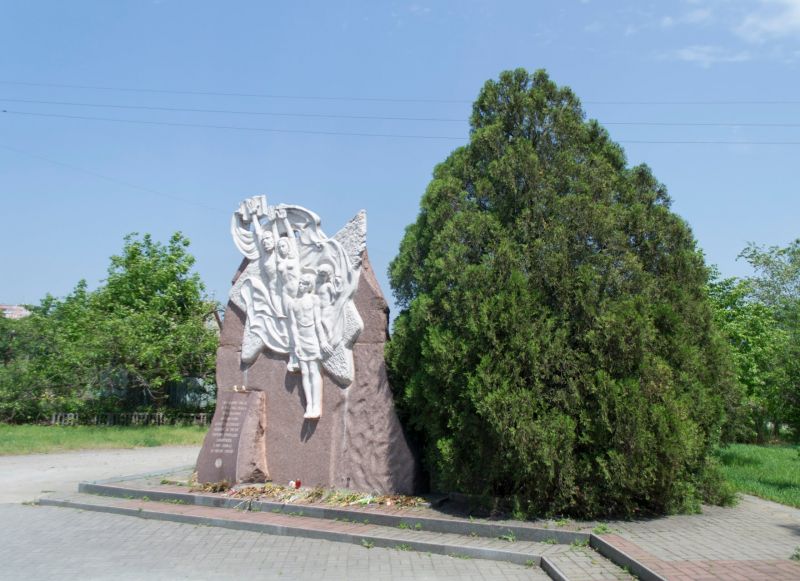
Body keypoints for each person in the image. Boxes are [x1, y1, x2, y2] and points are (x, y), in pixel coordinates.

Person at [288, 273, 332, 419]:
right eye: (299, 282)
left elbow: (318, 322)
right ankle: (309, 405)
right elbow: (293, 326)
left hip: (312, 338)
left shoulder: (314, 299)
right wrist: (296, 344)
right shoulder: (292, 303)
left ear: (309, 286)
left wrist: (323, 341)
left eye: (303, 283)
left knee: (314, 371)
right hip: (301, 340)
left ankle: (316, 406)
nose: (300, 285)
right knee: (305, 373)